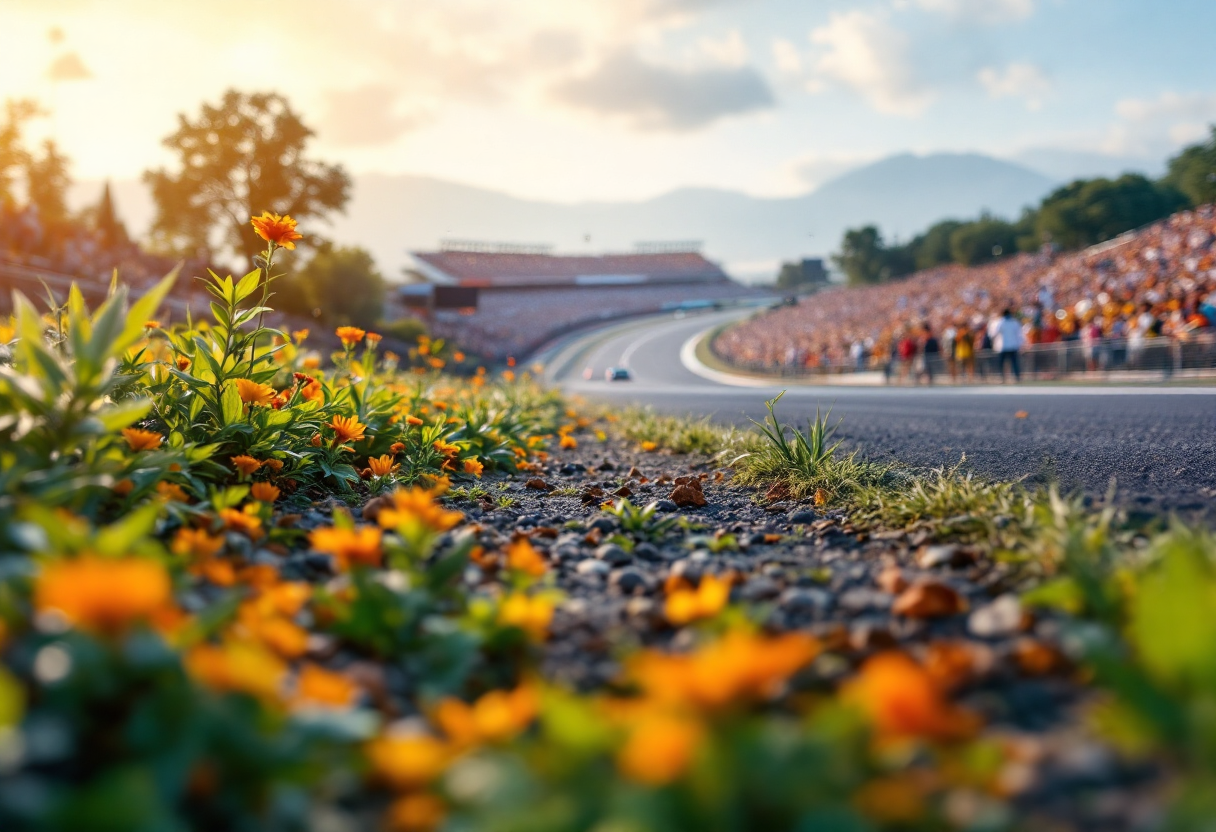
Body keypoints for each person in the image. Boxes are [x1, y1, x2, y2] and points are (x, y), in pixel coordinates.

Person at [989, 308, 1024, 383]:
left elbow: (994, 333)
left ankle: (1003, 378)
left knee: (1002, 363)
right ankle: (1017, 377)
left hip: (1004, 347)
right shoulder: (1014, 322)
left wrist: (993, 342)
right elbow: (1019, 335)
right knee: (1014, 363)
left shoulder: (1000, 322)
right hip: (1013, 346)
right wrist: (1020, 344)